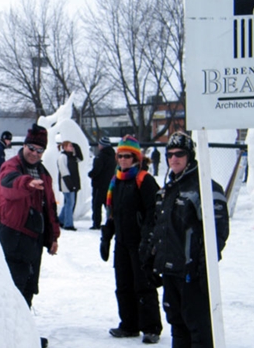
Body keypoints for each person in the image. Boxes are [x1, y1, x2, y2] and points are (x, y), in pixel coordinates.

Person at [145, 131, 229, 347]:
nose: (174, 158)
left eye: (179, 153)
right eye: (170, 154)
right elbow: (160, 227)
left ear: (190, 155)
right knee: (177, 325)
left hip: (192, 274)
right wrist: (152, 259)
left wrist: (202, 264)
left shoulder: (204, 187)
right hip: (171, 271)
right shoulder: (167, 188)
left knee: (198, 329)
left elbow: (218, 230)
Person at [0, 124, 59, 348]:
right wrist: (27, 183)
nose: (35, 153)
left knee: (28, 288)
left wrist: (53, 236)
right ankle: (6, 337)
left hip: (33, 241)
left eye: (40, 150)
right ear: (25, 145)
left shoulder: (43, 173)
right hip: (12, 236)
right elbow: (8, 184)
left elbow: (49, 206)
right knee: (12, 288)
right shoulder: (11, 166)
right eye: (32, 148)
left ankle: (23, 335)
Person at [99, 135, 163, 344]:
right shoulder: (116, 180)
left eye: (128, 156)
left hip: (139, 242)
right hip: (122, 241)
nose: (124, 160)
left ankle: (151, 326)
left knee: (143, 284)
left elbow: (153, 212)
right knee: (123, 284)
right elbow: (112, 212)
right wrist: (106, 237)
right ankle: (129, 324)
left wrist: (148, 240)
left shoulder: (144, 180)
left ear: (136, 158)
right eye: (120, 156)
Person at [88, 136, 117, 230]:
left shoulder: (100, 156)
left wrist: (91, 174)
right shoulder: (114, 156)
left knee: (97, 205)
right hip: (110, 183)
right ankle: (111, 221)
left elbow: (97, 170)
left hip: (99, 184)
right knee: (108, 204)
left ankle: (96, 223)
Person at [57, 140, 81, 231]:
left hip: (72, 183)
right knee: (70, 203)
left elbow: (80, 158)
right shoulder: (63, 157)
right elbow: (64, 172)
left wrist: (75, 145)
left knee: (69, 203)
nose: (72, 148)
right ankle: (68, 224)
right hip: (67, 184)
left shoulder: (72, 157)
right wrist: (70, 185)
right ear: (65, 147)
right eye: (70, 146)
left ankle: (61, 220)